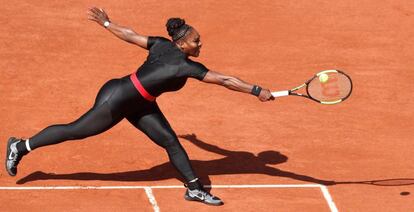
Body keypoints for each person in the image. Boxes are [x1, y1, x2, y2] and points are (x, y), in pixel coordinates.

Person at [5, 7, 274, 206]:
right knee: (76, 130)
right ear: (181, 43)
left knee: (170, 141)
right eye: (196, 41)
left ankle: (194, 188)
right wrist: (257, 90)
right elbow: (225, 79)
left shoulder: (161, 44)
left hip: (141, 103)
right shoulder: (185, 65)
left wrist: (108, 22)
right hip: (117, 98)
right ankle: (21, 146)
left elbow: (131, 35)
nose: (200, 44)